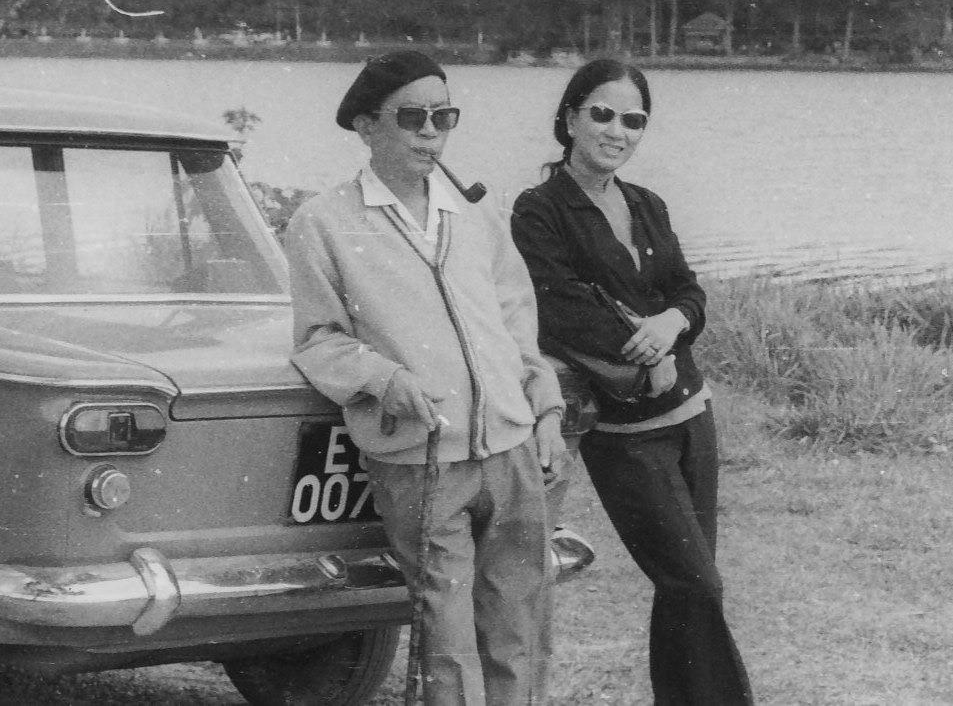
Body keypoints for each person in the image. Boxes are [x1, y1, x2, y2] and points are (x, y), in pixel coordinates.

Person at [285, 49, 567, 705]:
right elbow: (316, 340)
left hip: (511, 448)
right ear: (366, 125)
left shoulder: (476, 215)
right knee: (447, 631)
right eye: (413, 117)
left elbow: (516, 323)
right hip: (420, 459)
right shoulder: (323, 222)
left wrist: (545, 410)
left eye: (445, 117)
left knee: (518, 624)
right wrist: (382, 378)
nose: (431, 132)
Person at [510, 58, 754, 706]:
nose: (617, 131)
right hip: (626, 435)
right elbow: (560, 311)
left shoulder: (647, 204)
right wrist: (648, 352)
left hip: (692, 418)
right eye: (603, 114)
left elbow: (687, 290)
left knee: (685, 587)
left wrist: (675, 320)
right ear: (569, 118)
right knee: (697, 584)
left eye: (634, 120)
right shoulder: (539, 211)